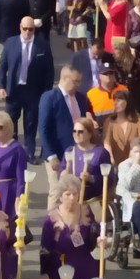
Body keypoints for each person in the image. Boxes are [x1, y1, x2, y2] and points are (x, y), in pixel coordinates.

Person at [0, 16, 55, 160]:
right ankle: (13, 149)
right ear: (20, 28)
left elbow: (49, 70)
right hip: (14, 90)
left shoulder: (42, 44)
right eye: (25, 29)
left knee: (31, 122)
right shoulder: (11, 43)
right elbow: (2, 66)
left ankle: (29, 152)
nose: (28, 32)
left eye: (31, 29)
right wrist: (1, 86)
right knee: (10, 121)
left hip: (33, 90)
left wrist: (47, 92)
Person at [39, 66, 90, 210]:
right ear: (64, 78)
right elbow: (44, 128)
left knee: (74, 192)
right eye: (75, 81)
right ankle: (51, 225)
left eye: (80, 81)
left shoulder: (80, 97)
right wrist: (51, 155)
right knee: (57, 192)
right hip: (58, 154)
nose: (78, 85)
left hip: (77, 153)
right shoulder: (49, 97)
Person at [102, 89, 140, 167]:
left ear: (127, 102)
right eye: (114, 100)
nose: (115, 103)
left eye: (119, 100)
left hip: (135, 164)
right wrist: (110, 157)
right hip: (115, 165)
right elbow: (107, 142)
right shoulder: (110, 121)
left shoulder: (139, 121)